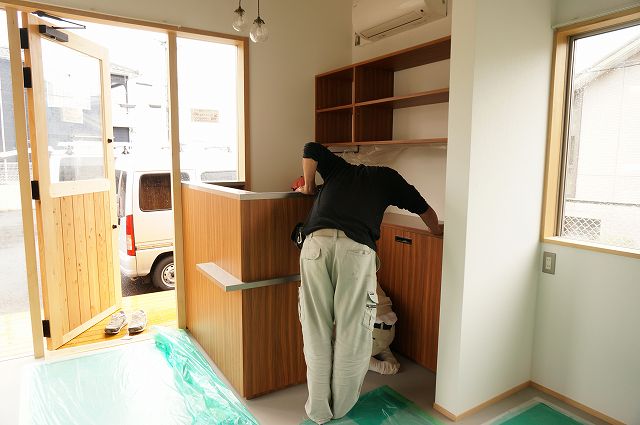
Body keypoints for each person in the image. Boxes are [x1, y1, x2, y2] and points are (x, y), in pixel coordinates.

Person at [296, 141, 442, 424]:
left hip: (315, 245)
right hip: (355, 252)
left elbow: (311, 148)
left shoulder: (338, 169)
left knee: (315, 331)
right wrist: (436, 231)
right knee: (352, 334)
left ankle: (319, 412)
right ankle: (340, 410)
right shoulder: (388, 178)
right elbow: (425, 210)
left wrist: (310, 187)